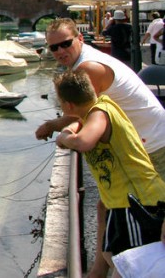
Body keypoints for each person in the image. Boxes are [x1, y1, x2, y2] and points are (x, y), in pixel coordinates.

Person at [36, 18, 165, 277]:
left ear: (80, 40)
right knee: (107, 206)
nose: (60, 51)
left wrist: (55, 127)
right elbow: (81, 116)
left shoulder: (87, 69)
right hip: (138, 144)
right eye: (54, 48)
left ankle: (115, 268)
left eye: (65, 44)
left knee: (152, 220)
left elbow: (81, 114)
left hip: (153, 144)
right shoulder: (81, 64)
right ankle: (98, 269)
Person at [53, 70, 165, 271]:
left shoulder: (100, 112)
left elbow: (83, 141)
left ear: (68, 105)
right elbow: (80, 125)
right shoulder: (91, 113)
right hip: (120, 202)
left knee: (137, 266)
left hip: (137, 202)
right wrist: (69, 128)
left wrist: (63, 138)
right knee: (112, 256)